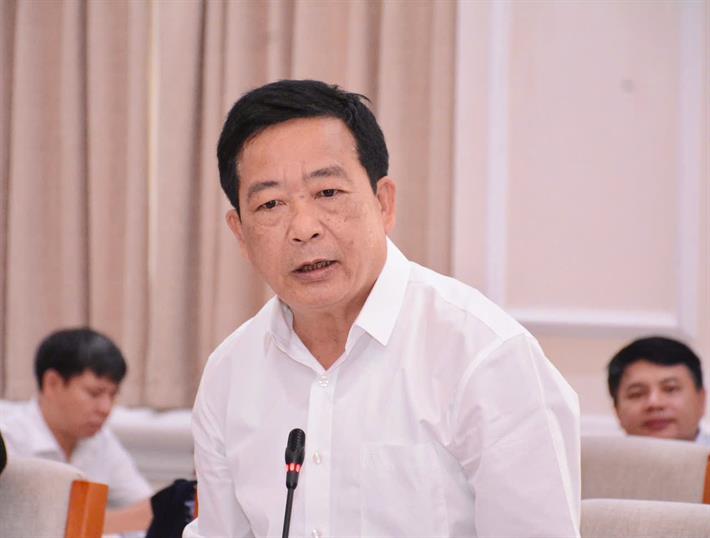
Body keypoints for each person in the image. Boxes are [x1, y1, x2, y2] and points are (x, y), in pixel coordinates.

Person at [185, 79, 580, 537]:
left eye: (328, 193)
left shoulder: (486, 357)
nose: (304, 228)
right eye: (271, 204)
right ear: (240, 234)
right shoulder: (229, 374)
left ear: (384, 203)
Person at [0, 327, 153, 534]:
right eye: (95, 393)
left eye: (112, 395)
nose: (106, 408)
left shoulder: (100, 440)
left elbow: (146, 507)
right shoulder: (8, 438)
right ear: (52, 383)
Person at [607, 335, 708, 444]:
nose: (654, 403)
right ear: (616, 410)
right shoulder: (598, 455)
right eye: (637, 394)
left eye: (670, 389)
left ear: (701, 400)